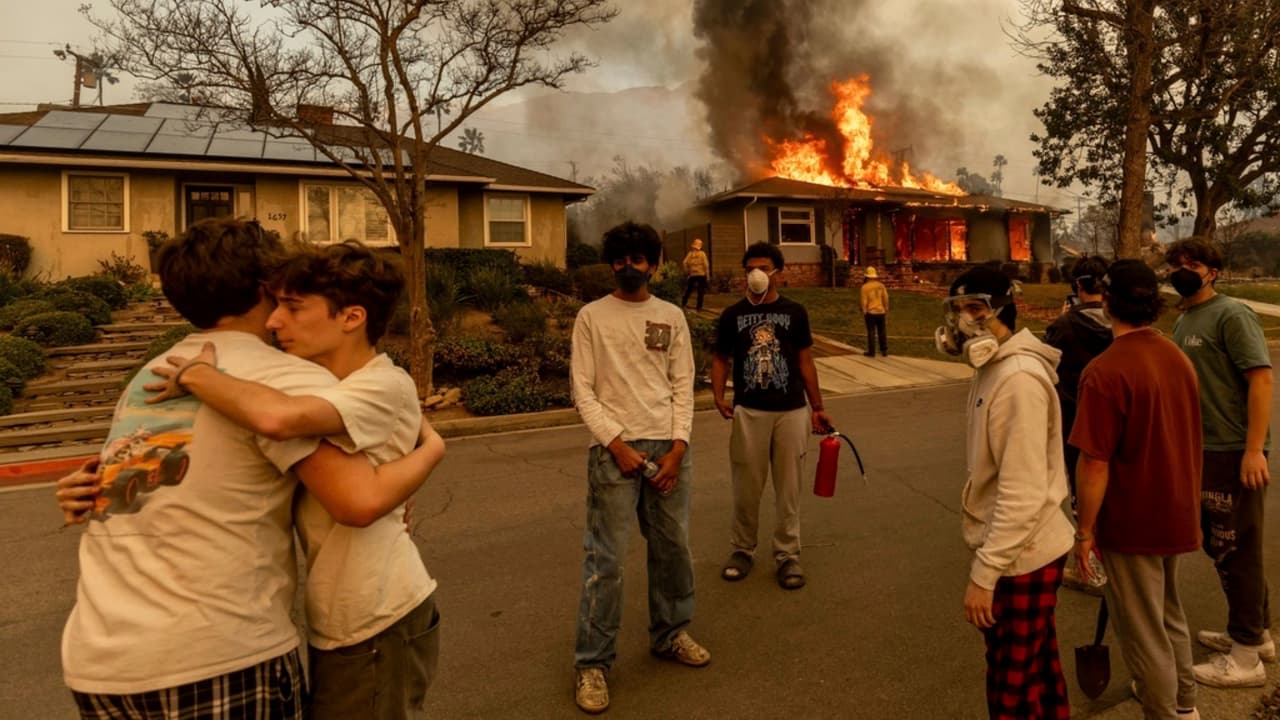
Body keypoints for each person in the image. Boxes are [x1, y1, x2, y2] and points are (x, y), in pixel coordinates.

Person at [53, 219, 442, 719]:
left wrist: (84, 487)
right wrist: (432, 451)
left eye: (294, 303)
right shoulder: (284, 379)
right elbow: (359, 496)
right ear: (266, 288)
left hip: (99, 655)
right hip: (211, 654)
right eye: (281, 299)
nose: (281, 317)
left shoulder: (153, 373)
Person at [570, 221, 704, 715]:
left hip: (667, 448)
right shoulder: (591, 317)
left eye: (638, 259)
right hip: (613, 453)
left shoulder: (671, 316)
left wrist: (679, 447)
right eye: (621, 259)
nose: (629, 267)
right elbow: (582, 389)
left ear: (654, 264)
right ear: (613, 263)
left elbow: (682, 383)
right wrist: (616, 444)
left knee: (673, 550)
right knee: (605, 561)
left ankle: (670, 635)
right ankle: (592, 663)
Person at [936, 266, 1074, 720]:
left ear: (1005, 311)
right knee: (1036, 667)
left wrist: (985, 573)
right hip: (1022, 547)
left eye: (976, 309)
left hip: (1024, 554)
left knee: (1010, 683)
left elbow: (1022, 490)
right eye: (958, 310)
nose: (964, 321)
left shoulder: (1016, 380)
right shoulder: (993, 369)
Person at [1069, 259, 1203, 720]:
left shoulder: (1105, 372)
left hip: (1132, 519)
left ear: (1106, 302)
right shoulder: (1177, 357)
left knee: (1143, 632)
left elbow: (1094, 463)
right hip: (1177, 509)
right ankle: (1185, 703)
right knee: (1169, 615)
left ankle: (1164, 712)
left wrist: (1084, 531)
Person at [1166, 238, 1274, 688]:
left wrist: (1253, 449)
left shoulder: (1232, 314)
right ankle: (1256, 635)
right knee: (1226, 546)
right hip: (1203, 450)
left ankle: (1246, 658)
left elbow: (1262, 380)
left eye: (1192, 264)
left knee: (1236, 549)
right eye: (1177, 264)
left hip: (1231, 450)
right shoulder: (1186, 318)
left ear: (1213, 271)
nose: (1182, 270)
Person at [711, 242, 831, 590]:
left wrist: (818, 406)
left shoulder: (795, 312)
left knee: (789, 489)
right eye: (749, 268)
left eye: (763, 267)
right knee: (746, 488)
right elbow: (721, 358)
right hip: (748, 412)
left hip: (791, 412)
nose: (756, 274)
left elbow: (805, 361)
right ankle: (742, 549)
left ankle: (787, 554)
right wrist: (719, 396)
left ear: (779, 271)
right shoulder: (733, 315)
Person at [1043, 255, 1112, 593]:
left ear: (1077, 286)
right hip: (1116, 420)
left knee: (1083, 495)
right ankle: (1118, 564)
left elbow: (1047, 368)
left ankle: (1093, 570)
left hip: (1075, 420)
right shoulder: (1120, 323)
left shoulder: (1065, 327)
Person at [860, 266, 889, 357]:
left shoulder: (865, 287)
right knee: (882, 331)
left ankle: (871, 351)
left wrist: (864, 311)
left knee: (871, 332)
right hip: (881, 311)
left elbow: (864, 301)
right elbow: (885, 297)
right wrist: (886, 307)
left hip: (871, 312)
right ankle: (884, 350)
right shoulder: (881, 286)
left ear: (867, 277)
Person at [681, 237, 710, 311]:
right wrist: (707, 275)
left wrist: (687, 271)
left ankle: (683, 303)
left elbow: (684, 263)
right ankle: (699, 307)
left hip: (692, 274)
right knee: (700, 291)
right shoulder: (702, 254)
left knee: (689, 290)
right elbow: (706, 265)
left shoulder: (690, 254)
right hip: (701, 274)